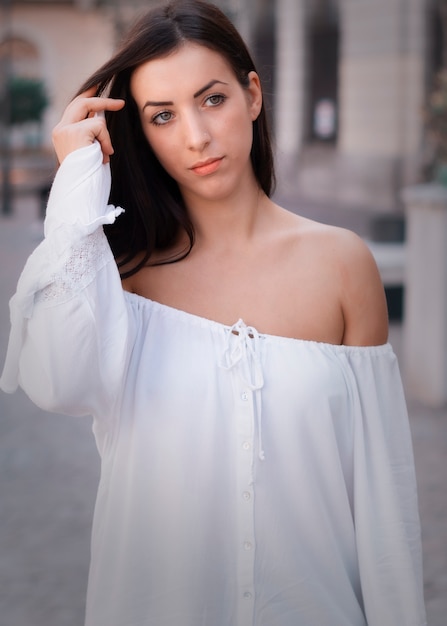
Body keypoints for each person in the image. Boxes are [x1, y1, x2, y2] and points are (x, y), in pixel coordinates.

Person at [0, 1, 426, 625]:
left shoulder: (342, 266)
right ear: (139, 132)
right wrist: (76, 183)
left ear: (253, 95)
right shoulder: (119, 276)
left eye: (213, 99)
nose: (196, 136)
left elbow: (383, 508)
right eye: (163, 116)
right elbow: (56, 383)